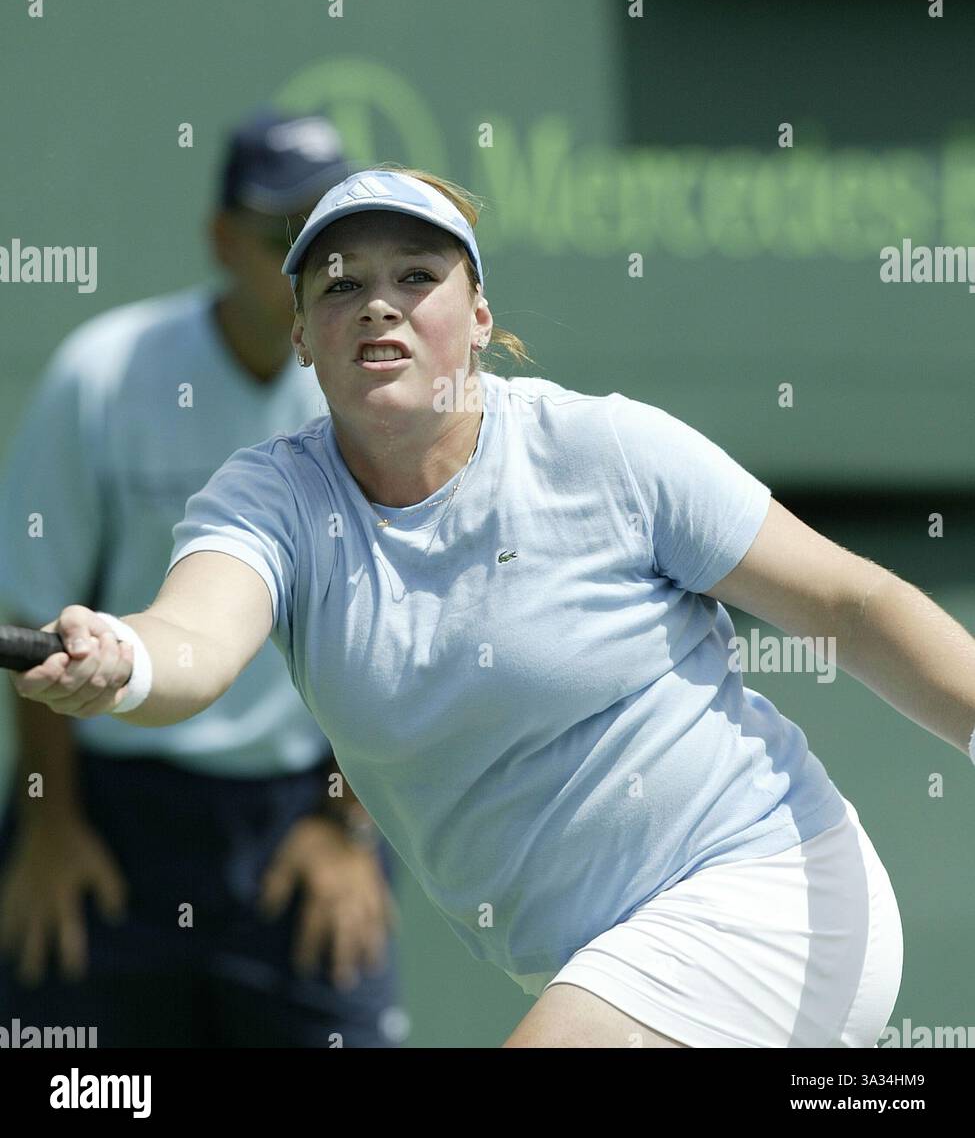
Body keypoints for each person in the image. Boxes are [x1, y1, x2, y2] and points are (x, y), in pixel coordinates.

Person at [10, 163, 975, 1049]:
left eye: (417, 277)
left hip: (770, 894)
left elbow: (851, 603)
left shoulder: (609, 453)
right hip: (589, 960)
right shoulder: (270, 499)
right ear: (303, 335)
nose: (378, 304)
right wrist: (125, 659)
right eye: (340, 284)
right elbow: (195, 641)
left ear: (478, 315)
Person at [0, 115, 403, 1049]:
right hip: (109, 814)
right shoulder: (102, 375)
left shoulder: (382, 392)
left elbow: (406, 625)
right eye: (283, 239)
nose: (318, 266)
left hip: (302, 813)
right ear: (223, 241)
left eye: (333, 241)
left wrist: (345, 827)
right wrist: (50, 829)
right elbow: (33, 604)